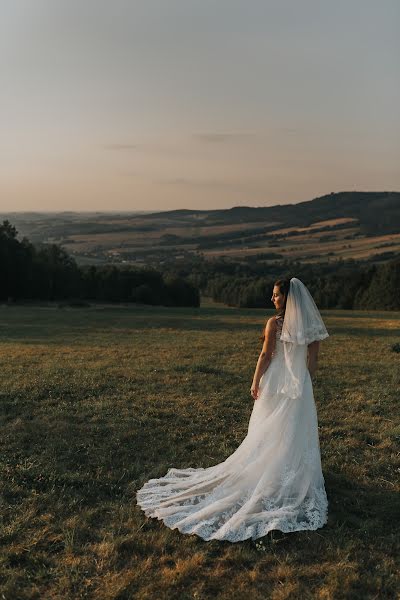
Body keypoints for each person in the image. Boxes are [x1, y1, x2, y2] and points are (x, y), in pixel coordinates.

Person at [136, 277, 329, 542]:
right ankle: (288, 475)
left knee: (266, 430)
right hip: (299, 384)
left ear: (287, 298)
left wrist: (254, 381)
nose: (272, 299)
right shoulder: (309, 326)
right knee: (293, 429)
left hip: (275, 382)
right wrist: (304, 381)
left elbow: (265, 355)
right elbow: (313, 360)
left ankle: (268, 473)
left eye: (275, 295)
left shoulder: (275, 323)